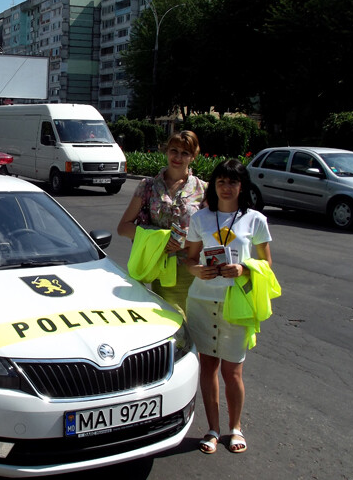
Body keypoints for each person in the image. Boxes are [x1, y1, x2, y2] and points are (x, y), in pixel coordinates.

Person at [184, 159, 273, 455]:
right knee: (207, 367)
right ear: (214, 185)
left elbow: (267, 264)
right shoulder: (201, 218)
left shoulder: (255, 220)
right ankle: (212, 429)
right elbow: (189, 259)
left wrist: (245, 268)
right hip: (202, 300)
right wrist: (197, 270)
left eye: (232, 182)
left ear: (242, 186)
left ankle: (235, 427)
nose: (226, 187)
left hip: (236, 303)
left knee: (233, 370)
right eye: (221, 181)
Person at [117, 130, 207, 313]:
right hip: (154, 265)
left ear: (193, 157)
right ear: (166, 151)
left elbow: (212, 232)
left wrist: (184, 243)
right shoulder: (147, 186)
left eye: (185, 153)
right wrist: (160, 238)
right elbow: (123, 228)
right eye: (174, 150)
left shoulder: (203, 190)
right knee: (162, 319)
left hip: (187, 270)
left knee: (188, 322)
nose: (178, 157)